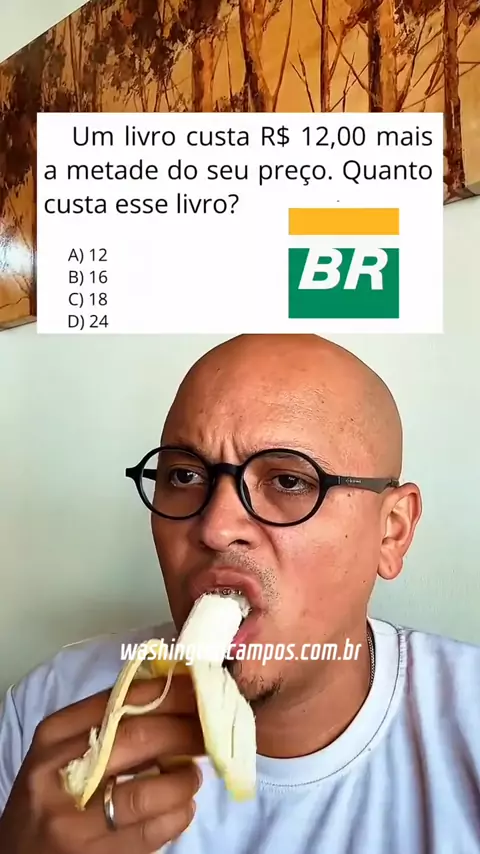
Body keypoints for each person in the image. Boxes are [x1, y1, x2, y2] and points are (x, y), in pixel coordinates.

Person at [1, 333, 479, 854]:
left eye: (289, 482)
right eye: (184, 475)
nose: (216, 527)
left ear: (391, 531)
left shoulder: (468, 726)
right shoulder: (47, 715)